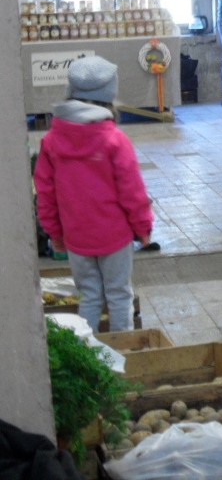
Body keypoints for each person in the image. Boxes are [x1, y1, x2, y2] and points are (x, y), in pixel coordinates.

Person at [34, 56, 153, 332]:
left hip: (76, 238)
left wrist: (55, 234)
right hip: (115, 236)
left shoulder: (51, 141)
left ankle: (92, 360)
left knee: (89, 296)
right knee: (119, 296)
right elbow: (132, 192)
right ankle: (124, 357)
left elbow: (45, 193)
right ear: (109, 96)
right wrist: (143, 227)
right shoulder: (115, 140)